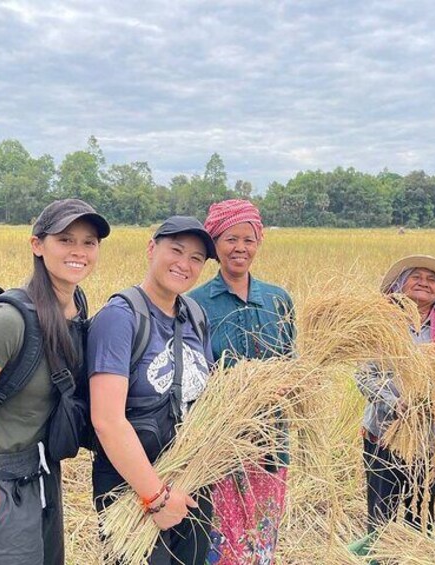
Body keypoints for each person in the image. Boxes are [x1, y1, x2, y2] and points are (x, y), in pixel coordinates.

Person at [0, 199, 110, 565]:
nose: (79, 251)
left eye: (89, 242)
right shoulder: (8, 321)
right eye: (65, 240)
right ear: (37, 245)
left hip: (41, 478)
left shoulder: (75, 308)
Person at [87, 216, 217, 565]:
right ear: (151, 249)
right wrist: (156, 498)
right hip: (131, 487)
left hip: (191, 481)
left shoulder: (196, 315)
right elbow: (107, 421)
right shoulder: (120, 317)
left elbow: (207, 398)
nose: (184, 264)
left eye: (196, 258)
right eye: (176, 250)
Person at [188, 199, 295, 565]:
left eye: (248, 240)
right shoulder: (194, 304)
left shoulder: (278, 300)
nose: (240, 248)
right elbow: (190, 374)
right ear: (215, 244)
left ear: (259, 242)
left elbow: (292, 363)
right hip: (218, 448)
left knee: (261, 540)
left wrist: (284, 386)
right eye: (230, 239)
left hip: (271, 444)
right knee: (221, 543)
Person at [356, 254, 435, 533]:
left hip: (431, 439)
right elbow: (363, 375)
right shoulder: (380, 324)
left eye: (431, 280)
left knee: (420, 514)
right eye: (416, 277)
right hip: (384, 435)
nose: (423, 283)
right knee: (381, 516)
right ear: (400, 285)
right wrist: (395, 403)